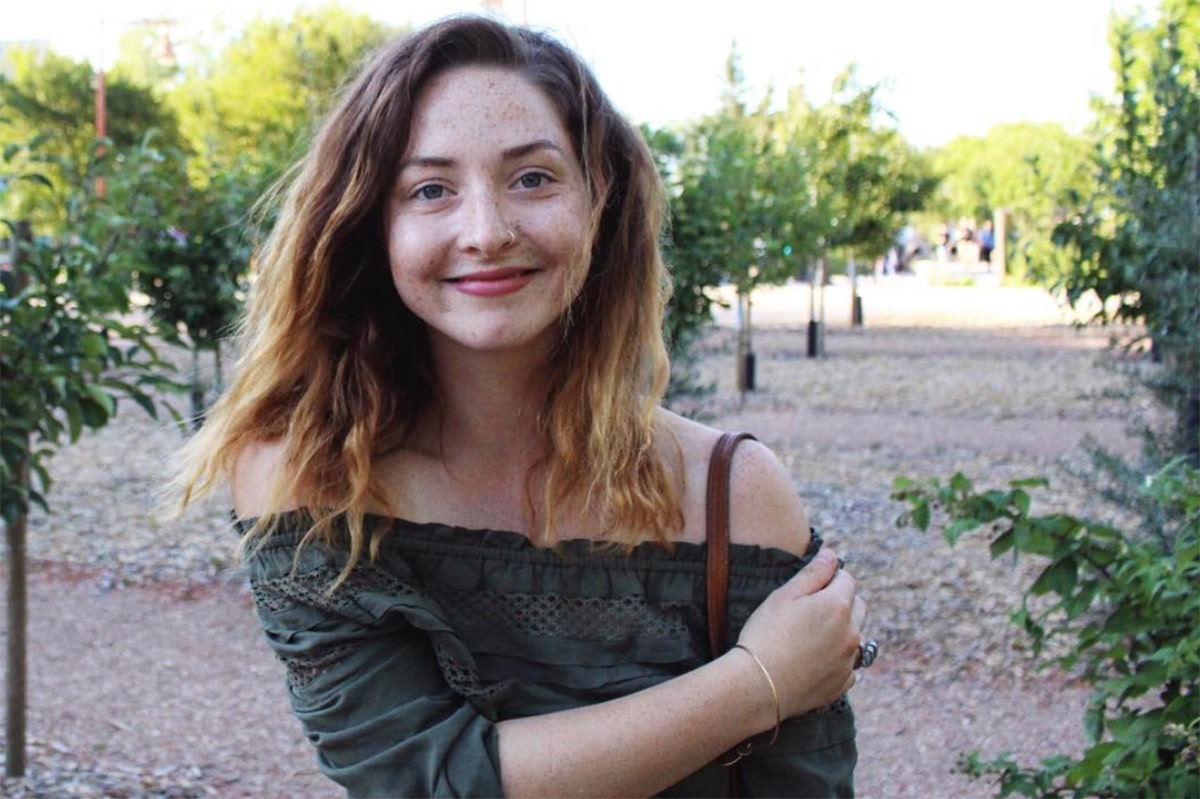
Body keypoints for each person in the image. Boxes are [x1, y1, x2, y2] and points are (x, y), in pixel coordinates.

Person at [174, 15, 872, 798]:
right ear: (373, 222)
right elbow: (421, 780)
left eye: (533, 178)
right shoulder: (310, 476)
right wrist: (756, 681)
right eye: (430, 189)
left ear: (601, 204)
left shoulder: (733, 493)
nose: (487, 231)